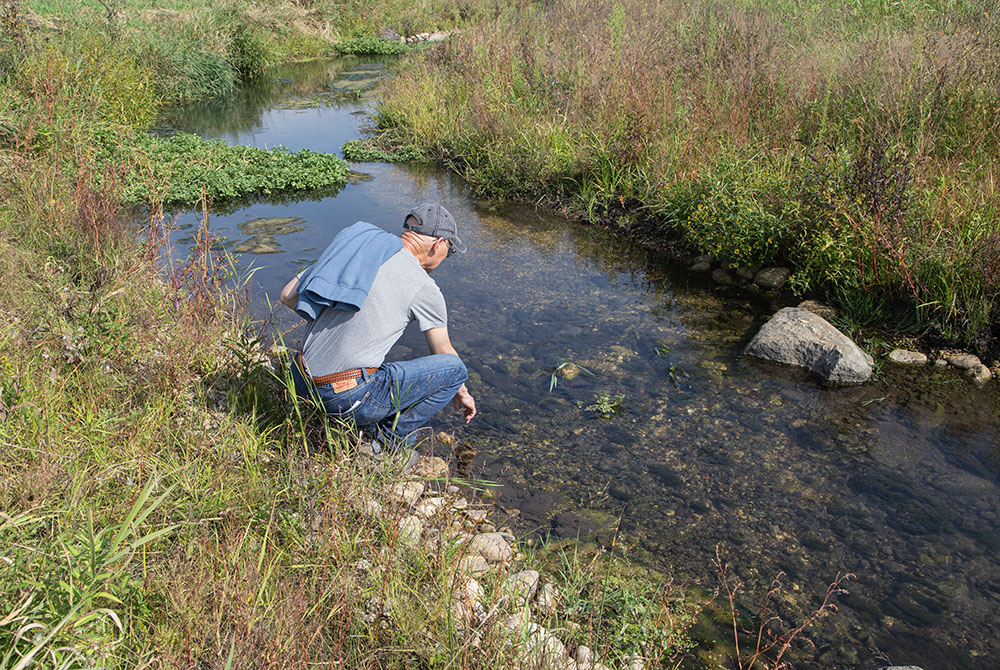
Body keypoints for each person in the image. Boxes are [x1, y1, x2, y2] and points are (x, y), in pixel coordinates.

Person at [279, 203, 476, 453]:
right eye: (449, 251)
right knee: (455, 369)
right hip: (343, 399)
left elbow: (287, 295)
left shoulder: (358, 250)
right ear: (438, 244)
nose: (446, 257)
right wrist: (462, 393)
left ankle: (344, 420)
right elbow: (444, 353)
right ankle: (386, 449)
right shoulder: (425, 287)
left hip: (298, 382)